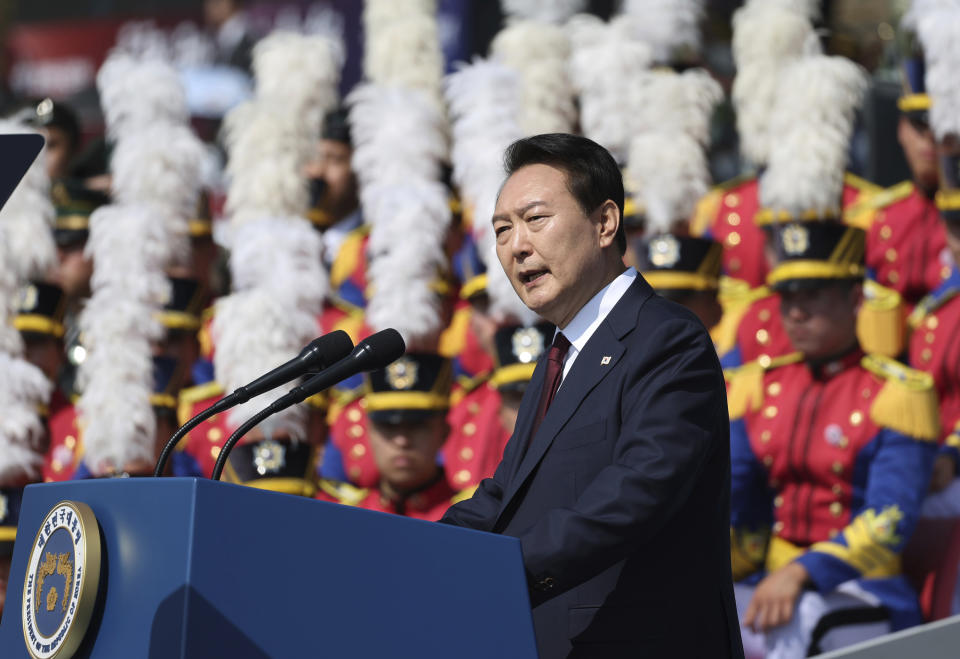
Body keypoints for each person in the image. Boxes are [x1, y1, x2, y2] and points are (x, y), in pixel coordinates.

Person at [441, 134, 742, 658]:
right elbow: (507, 495)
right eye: (502, 230)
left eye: (535, 220)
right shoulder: (560, 356)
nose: (516, 246)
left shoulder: (667, 338)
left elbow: (637, 492)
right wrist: (412, 553)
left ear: (605, 223)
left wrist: (506, 572)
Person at [727, 219, 938, 658]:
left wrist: (803, 572)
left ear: (855, 298)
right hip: (770, 578)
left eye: (813, 295)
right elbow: (733, 499)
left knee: (797, 621)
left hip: (866, 587)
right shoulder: (759, 386)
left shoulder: (897, 395)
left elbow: (888, 520)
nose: (796, 312)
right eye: (788, 297)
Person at [317, 353, 466, 521]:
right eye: (388, 427)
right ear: (369, 432)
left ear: (444, 432)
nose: (401, 441)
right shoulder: (344, 517)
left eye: (417, 426)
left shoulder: (468, 518)